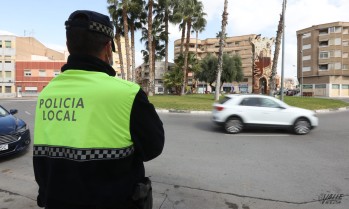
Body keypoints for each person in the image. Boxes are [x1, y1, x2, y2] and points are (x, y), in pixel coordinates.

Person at [33, 10, 165, 209]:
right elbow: (153, 147)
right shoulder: (127, 94)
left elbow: (42, 161)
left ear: (69, 46)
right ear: (107, 49)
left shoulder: (47, 93)